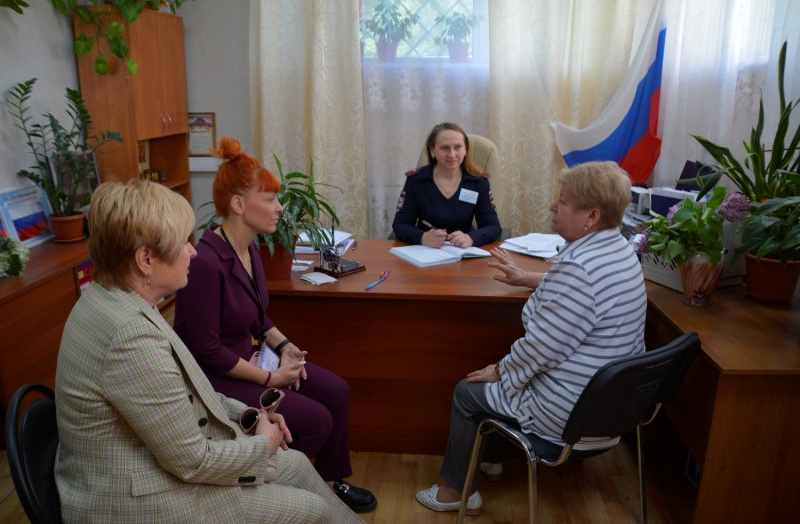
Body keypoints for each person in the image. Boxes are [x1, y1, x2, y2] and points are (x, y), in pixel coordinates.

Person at [54, 180, 362, 523]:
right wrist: (262, 444)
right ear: (145, 260)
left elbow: (189, 394)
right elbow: (192, 461)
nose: (194, 251)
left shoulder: (118, 299)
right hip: (138, 500)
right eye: (183, 243)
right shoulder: (129, 338)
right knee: (313, 511)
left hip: (156, 464)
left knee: (299, 464)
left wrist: (252, 416)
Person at [415, 161, 647, 515]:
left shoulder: (579, 270)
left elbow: (542, 349)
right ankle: (490, 463)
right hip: (614, 409)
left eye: (564, 202)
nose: (553, 206)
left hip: (573, 414)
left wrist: (502, 370)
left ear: (592, 216)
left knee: (468, 391)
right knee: (498, 374)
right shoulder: (620, 251)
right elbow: (582, 295)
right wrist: (528, 278)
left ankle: (456, 493)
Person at [173, 137, 377, 513]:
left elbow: (257, 316)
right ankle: (277, 491)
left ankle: (331, 483)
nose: (279, 207)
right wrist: (269, 379)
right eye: (269, 199)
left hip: (250, 360)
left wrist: (285, 348)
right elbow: (207, 350)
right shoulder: (205, 262)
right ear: (238, 205)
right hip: (217, 378)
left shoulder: (249, 247)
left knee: (337, 391)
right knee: (317, 421)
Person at [392, 122, 501, 248]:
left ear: (466, 150)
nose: (452, 154)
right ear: (433, 150)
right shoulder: (416, 181)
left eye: (458, 147)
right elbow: (400, 225)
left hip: (463, 252)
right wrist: (422, 237)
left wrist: (471, 238)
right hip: (426, 251)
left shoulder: (478, 182)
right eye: (445, 148)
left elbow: (493, 227)